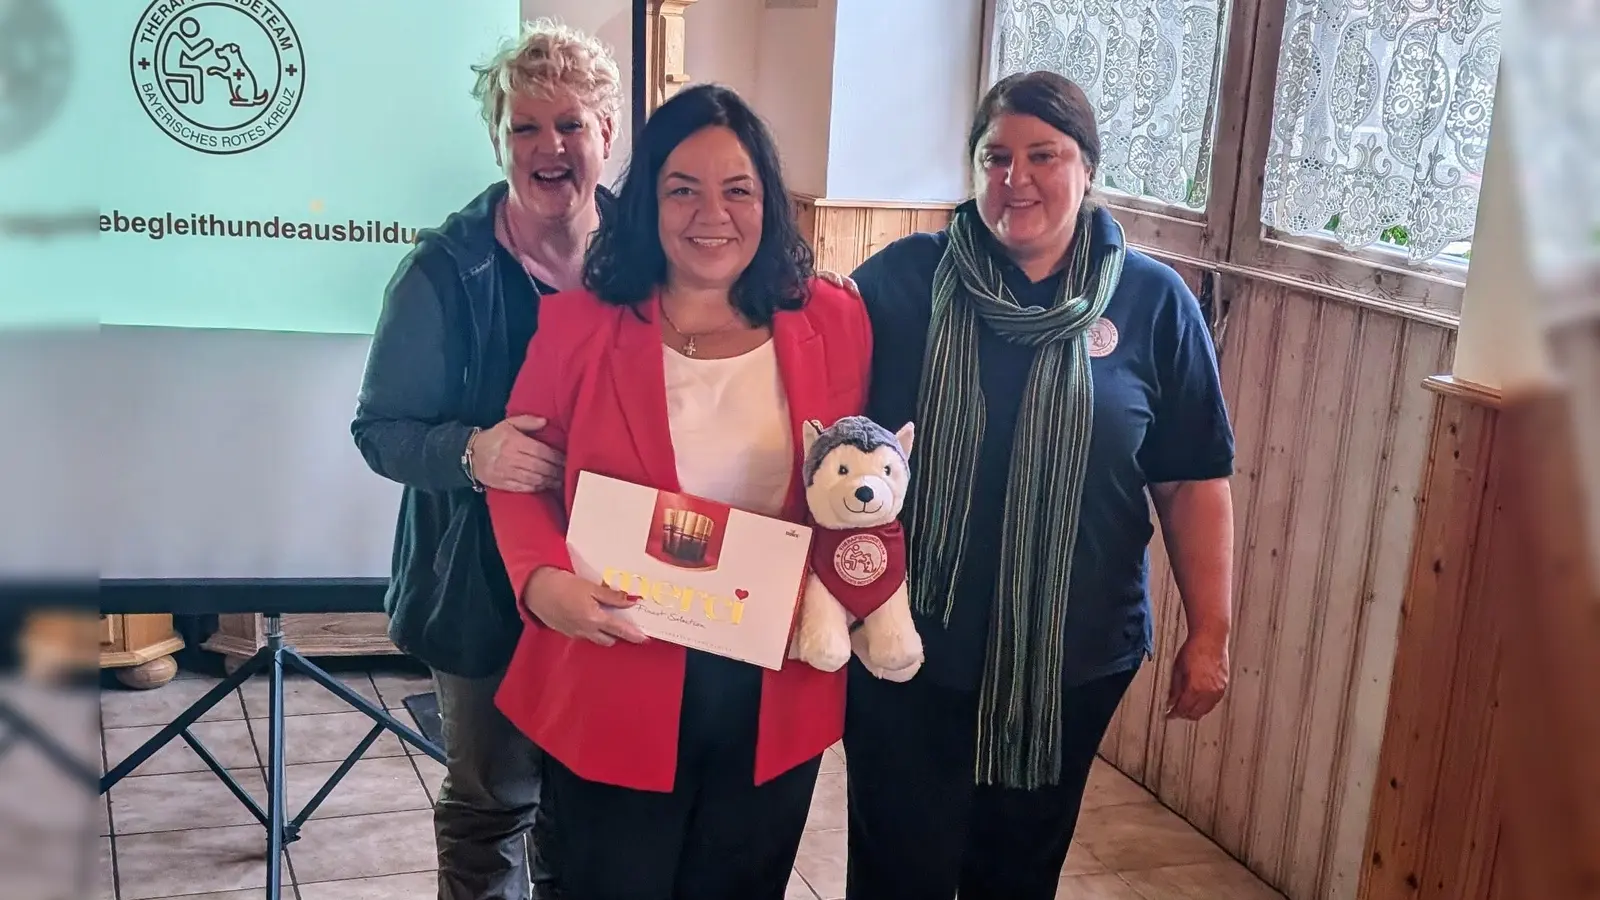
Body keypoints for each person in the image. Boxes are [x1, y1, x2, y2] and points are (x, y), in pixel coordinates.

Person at [842, 70, 1238, 900]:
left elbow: (1192, 479)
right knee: (895, 869)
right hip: (906, 646)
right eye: (995, 157)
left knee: (1016, 874)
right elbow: (823, 428)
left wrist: (1212, 632)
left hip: (1070, 657)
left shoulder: (1155, 303)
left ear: (1087, 167)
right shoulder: (901, 283)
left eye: (1042, 155)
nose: (1014, 179)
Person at [483, 83, 870, 900]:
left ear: (769, 202)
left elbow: (864, 477)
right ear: (648, 201)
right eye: (682, 189)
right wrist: (542, 580)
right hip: (615, 672)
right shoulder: (579, 327)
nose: (711, 214)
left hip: (773, 687)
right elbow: (522, 477)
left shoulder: (834, 321)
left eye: (738, 190)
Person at [350, 18, 622, 900]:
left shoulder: (650, 260)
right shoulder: (442, 270)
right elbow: (380, 430)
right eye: (525, 128)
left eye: (571, 125)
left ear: (607, 136)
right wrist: (474, 453)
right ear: (499, 140)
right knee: (490, 805)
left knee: (590, 807)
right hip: (477, 587)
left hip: (618, 575)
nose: (550, 148)